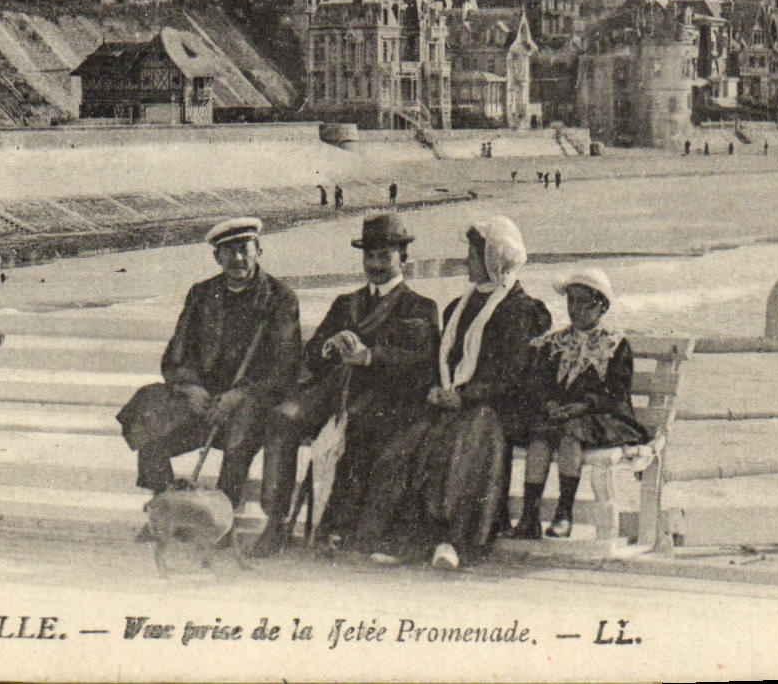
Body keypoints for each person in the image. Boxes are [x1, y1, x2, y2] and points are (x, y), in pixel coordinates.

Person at [351, 216, 551, 570]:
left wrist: (467, 396)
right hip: (455, 400)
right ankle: (407, 539)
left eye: (473, 256)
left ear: (494, 260)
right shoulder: (459, 307)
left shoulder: (521, 310)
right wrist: (436, 389)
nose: (467, 263)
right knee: (407, 441)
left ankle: (453, 539)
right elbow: (441, 360)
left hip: (498, 407)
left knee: (460, 442)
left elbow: (514, 376)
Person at [116, 217, 302, 557]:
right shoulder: (202, 294)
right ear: (217, 257)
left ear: (258, 250)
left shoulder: (279, 299)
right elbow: (176, 356)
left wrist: (239, 394)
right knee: (148, 415)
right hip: (201, 404)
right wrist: (190, 388)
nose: (238, 260)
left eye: (244, 250)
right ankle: (170, 509)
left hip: (249, 403)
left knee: (240, 434)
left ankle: (219, 524)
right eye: (228, 252)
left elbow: (284, 367)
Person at [268, 214, 439, 555]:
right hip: (335, 393)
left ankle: (336, 527)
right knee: (282, 420)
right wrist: (329, 347)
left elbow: (419, 359)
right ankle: (275, 521)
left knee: (363, 431)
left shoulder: (419, 306)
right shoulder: (345, 303)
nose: (375, 265)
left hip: (386, 398)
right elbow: (312, 353)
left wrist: (369, 356)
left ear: (403, 258)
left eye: (385, 256)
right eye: (369, 256)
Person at [510, 269, 648, 540]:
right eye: (571, 301)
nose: (576, 309)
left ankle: (564, 513)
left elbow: (617, 392)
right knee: (540, 436)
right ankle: (529, 515)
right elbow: (538, 383)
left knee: (569, 435)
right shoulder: (554, 342)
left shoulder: (614, 344)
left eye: (585, 303)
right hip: (559, 416)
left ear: (602, 306)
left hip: (600, 417)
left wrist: (584, 405)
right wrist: (548, 402)